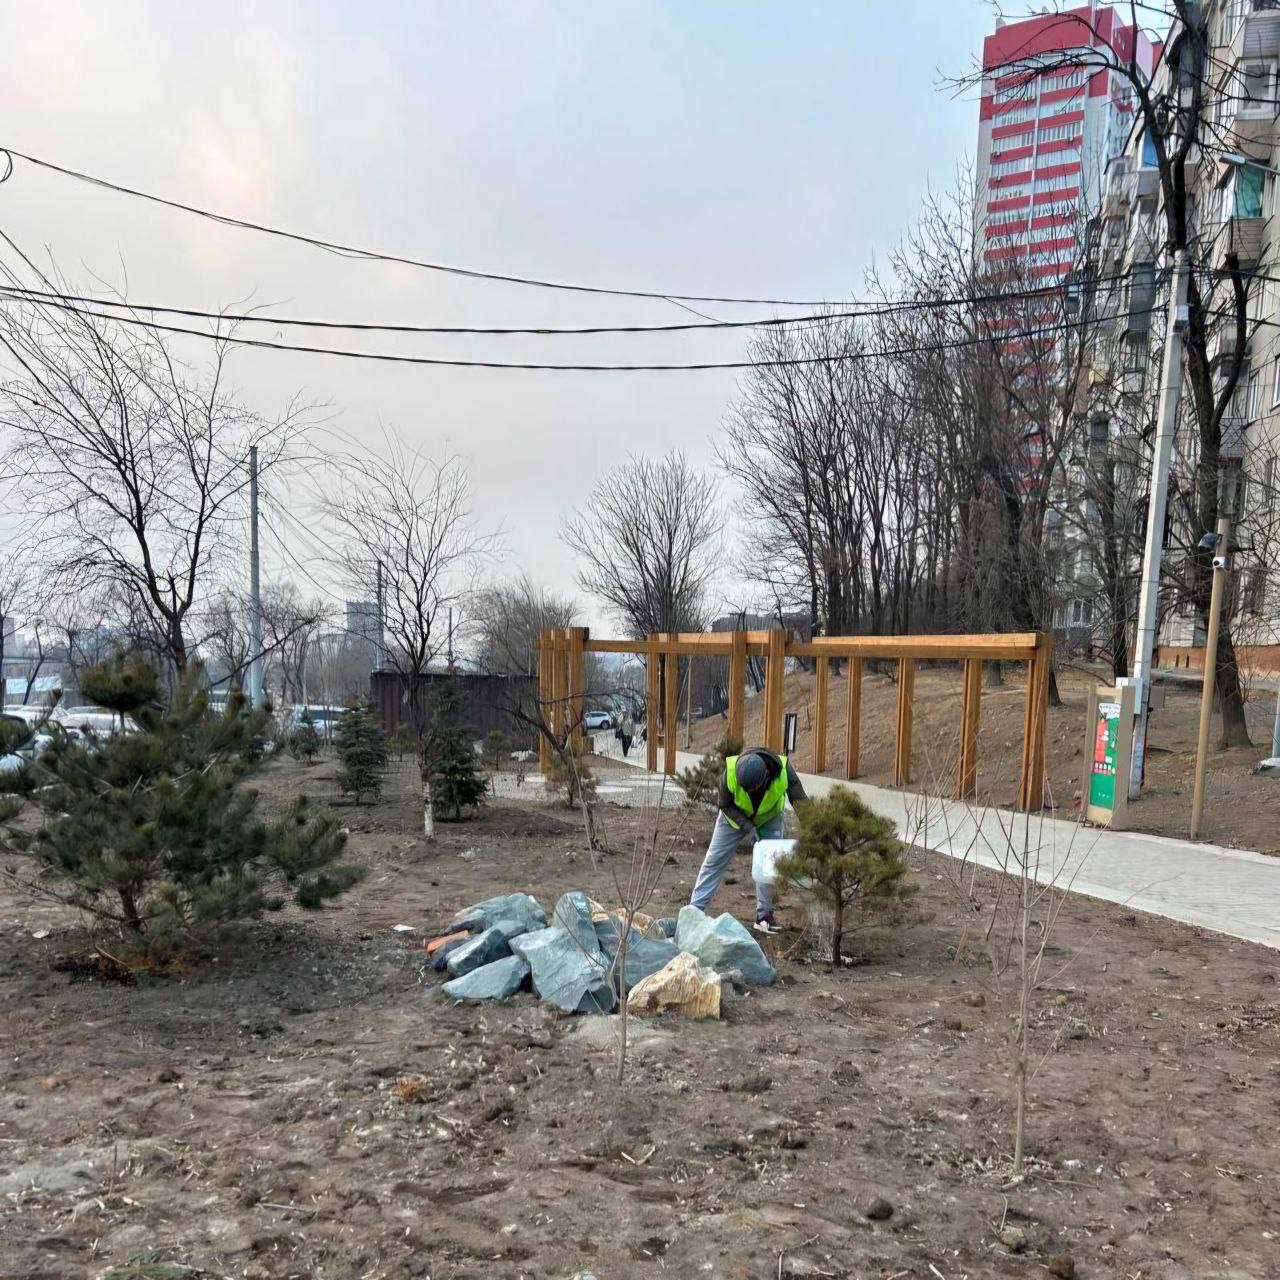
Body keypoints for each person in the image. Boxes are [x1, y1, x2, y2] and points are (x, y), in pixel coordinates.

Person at [689, 746, 806, 935]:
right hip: (733, 819)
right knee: (714, 860)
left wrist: (815, 833)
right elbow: (724, 804)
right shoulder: (731, 771)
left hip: (769, 817)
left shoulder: (784, 771)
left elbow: (801, 802)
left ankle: (764, 916)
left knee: (769, 865)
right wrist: (748, 827)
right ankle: (694, 911)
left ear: (766, 776)